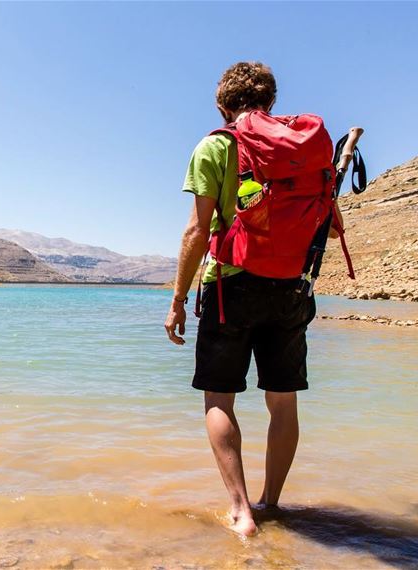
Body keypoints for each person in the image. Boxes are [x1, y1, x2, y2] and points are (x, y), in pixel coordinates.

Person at [164, 62, 323, 537]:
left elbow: (197, 229)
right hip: (290, 287)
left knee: (219, 398)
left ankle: (240, 511)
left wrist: (177, 298)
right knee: (283, 402)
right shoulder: (299, 150)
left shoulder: (215, 145)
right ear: (270, 103)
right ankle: (272, 503)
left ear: (221, 105)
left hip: (230, 285)